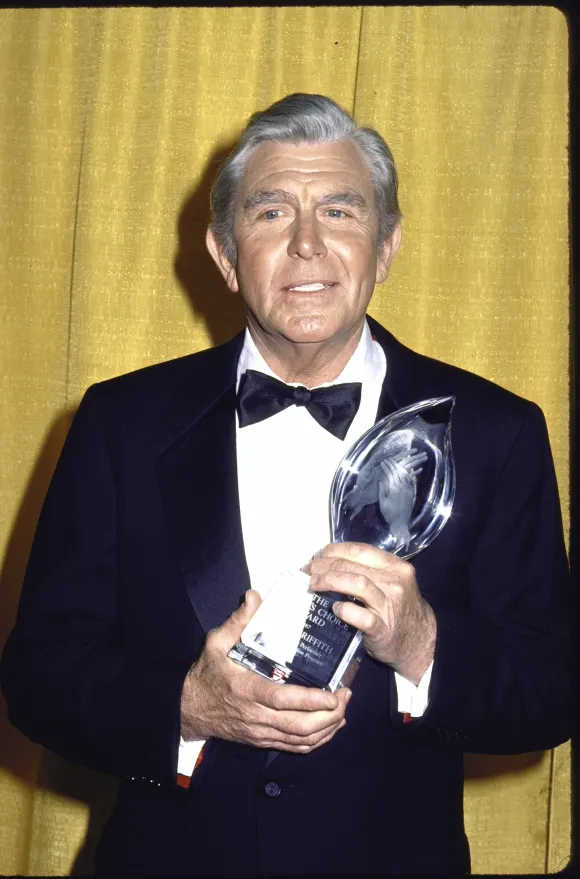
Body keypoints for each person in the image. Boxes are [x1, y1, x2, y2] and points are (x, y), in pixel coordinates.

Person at [0, 93, 571, 876]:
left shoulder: (499, 431)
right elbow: (38, 676)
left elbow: (549, 691)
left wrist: (423, 645)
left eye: (341, 210)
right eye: (271, 214)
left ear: (387, 245)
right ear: (226, 253)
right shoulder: (117, 421)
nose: (307, 244)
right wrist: (185, 707)